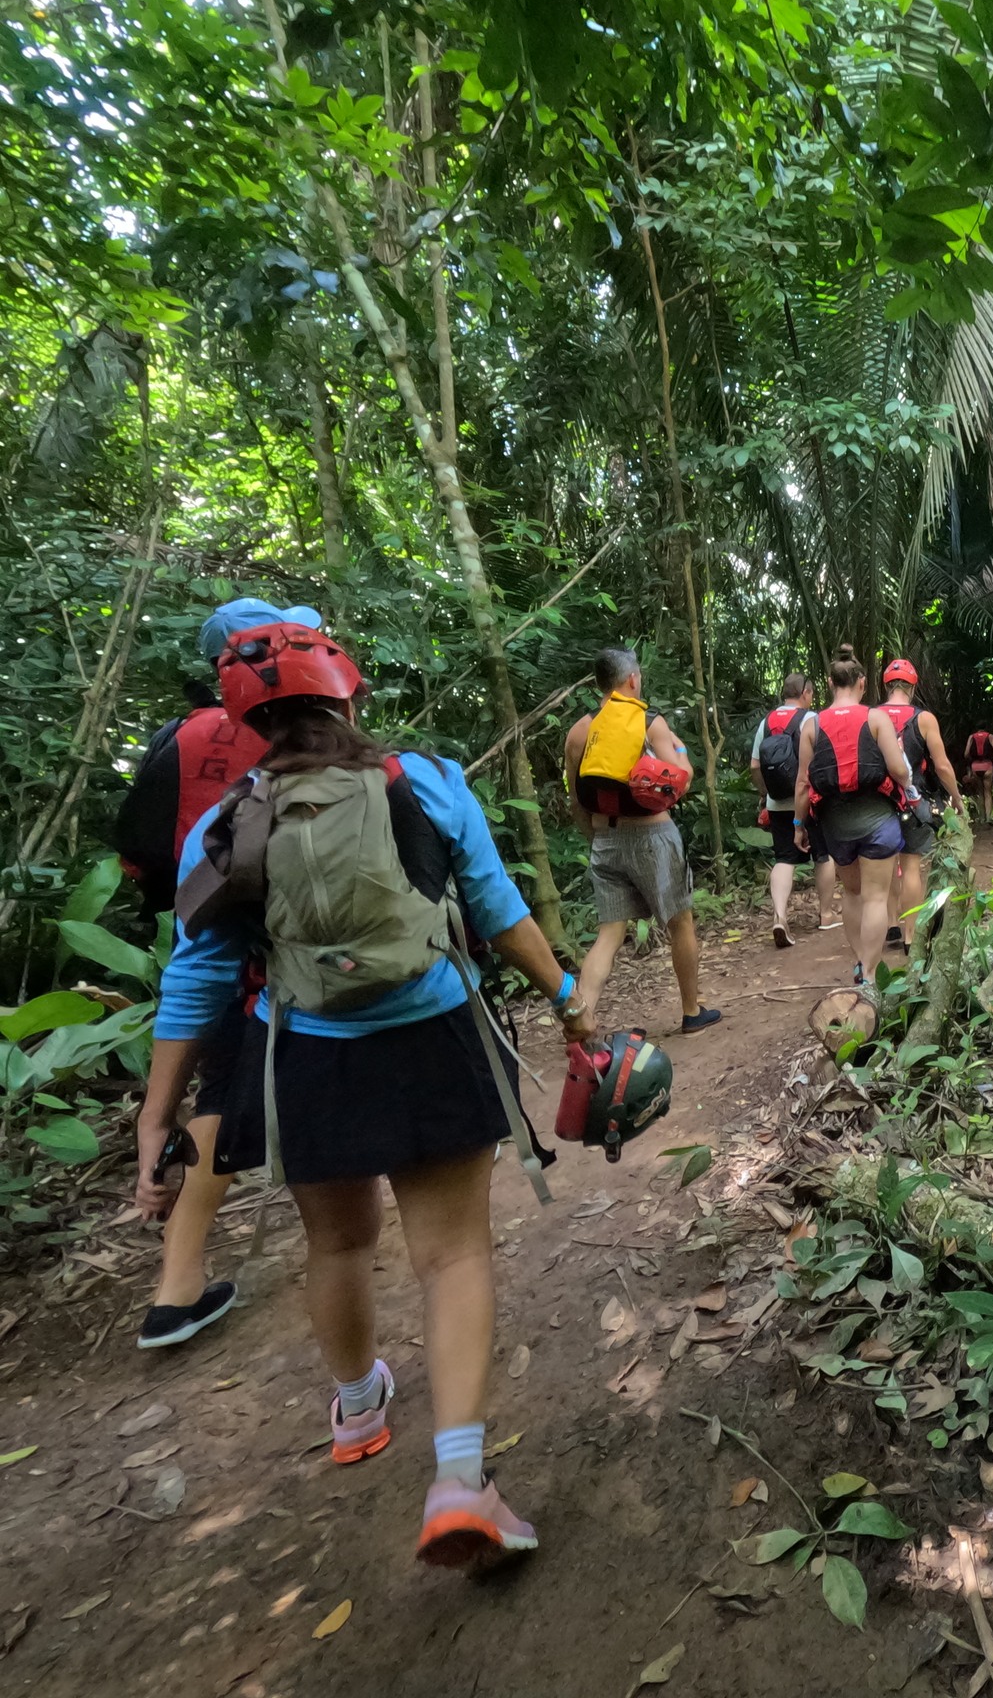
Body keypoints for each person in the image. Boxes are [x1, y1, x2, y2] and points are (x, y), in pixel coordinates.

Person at [136, 617, 590, 1569]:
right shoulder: (425, 783)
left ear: (245, 720)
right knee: (454, 1253)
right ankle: (461, 1481)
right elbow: (499, 915)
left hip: (303, 1056)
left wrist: (158, 1116)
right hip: (433, 1039)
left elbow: (198, 978)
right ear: (352, 692)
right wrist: (568, 1005)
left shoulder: (229, 828)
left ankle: (355, 1407)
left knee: (337, 1241)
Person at [113, 599, 293, 1350]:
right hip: (266, 944)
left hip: (199, 930)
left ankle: (178, 1284)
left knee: (224, 1087)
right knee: (228, 1094)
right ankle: (176, 1286)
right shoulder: (289, 732)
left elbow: (138, 847)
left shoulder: (177, 736)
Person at [563, 648, 721, 1035]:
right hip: (652, 836)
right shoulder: (650, 723)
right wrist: (681, 749)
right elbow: (679, 780)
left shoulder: (580, 730)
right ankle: (691, 1011)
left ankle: (580, 1019)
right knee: (679, 921)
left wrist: (595, 836)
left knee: (609, 932)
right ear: (632, 679)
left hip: (605, 838)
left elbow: (575, 797)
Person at [793, 645, 917, 990]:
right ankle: (871, 974)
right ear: (862, 683)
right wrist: (909, 789)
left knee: (851, 894)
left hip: (836, 824)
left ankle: (860, 962)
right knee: (877, 896)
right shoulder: (875, 718)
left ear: (831, 683)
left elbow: (803, 784)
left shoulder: (811, 725)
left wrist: (798, 826)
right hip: (878, 819)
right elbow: (897, 769)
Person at [876, 659, 962, 953]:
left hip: (879, 802)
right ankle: (911, 936)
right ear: (913, 687)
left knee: (888, 865)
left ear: (886, 685)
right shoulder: (924, 719)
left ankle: (891, 925)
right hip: (913, 802)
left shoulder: (871, 716)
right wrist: (958, 799)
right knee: (910, 866)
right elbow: (942, 765)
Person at [750, 673, 837, 947]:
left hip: (778, 804)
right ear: (806, 694)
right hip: (810, 800)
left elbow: (754, 766)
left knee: (784, 859)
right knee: (822, 856)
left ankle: (779, 916)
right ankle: (825, 914)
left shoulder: (766, 722)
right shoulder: (812, 720)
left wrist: (766, 794)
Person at [962, 725, 993, 825]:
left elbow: (966, 754)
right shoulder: (990, 736)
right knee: (988, 792)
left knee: (980, 792)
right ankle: (988, 818)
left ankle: (982, 817)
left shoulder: (971, 737)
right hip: (988, 766)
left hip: (975, 767)